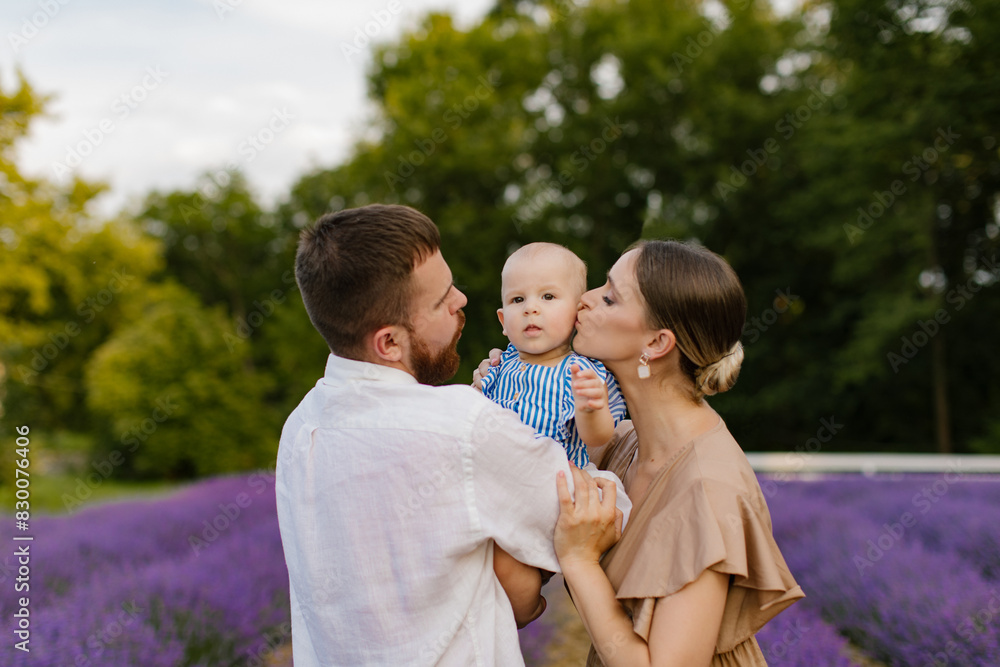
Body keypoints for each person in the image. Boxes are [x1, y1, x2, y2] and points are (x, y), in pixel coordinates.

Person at [276, 204, 579, 666]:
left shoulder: (300, 428)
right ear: (390, 343)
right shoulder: (462, 425)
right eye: (441, 300)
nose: (462, 300)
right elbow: (594, 508)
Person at [481, 240, 804, 666]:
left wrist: (579, 560)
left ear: (656, 343)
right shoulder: (621, 444)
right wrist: (501, 395)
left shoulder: (706, 488)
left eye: (610, 296)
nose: (585, 300)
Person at [479, 242, 633, 623]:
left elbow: (599, 438)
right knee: (494, 557)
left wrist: (590, 407)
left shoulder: (583, 373)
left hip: (551, 487)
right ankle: (508, 606)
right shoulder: (502, 363)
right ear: (502, 318)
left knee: (510, 564)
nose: (531, 307)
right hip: (498, 481)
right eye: (518, 299)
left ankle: (526, 605)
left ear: (577, 311)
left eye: (548, 296)